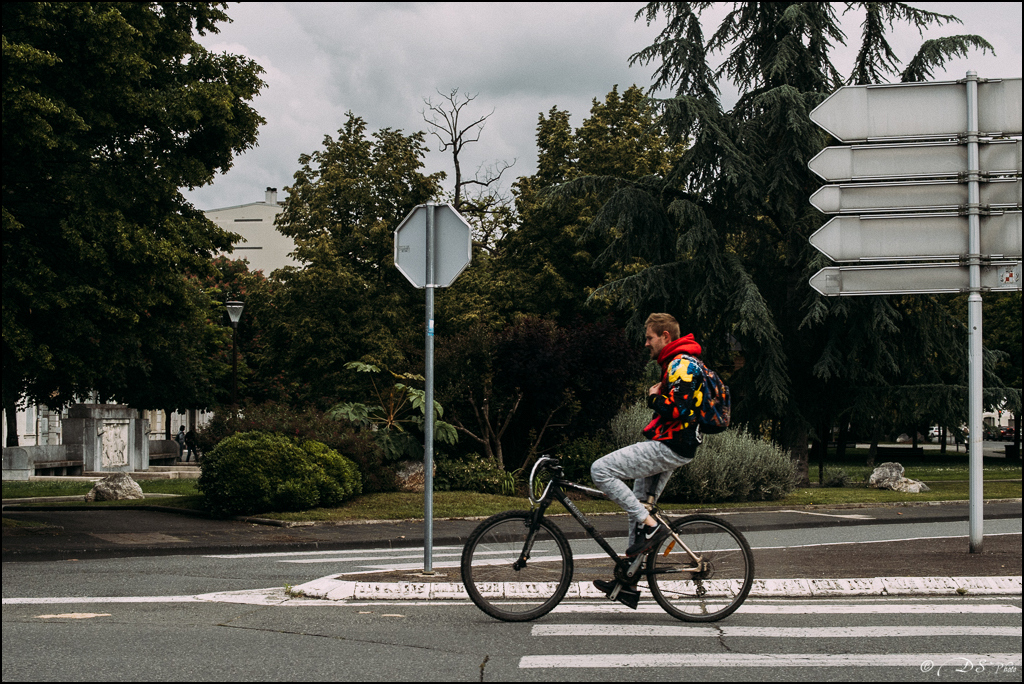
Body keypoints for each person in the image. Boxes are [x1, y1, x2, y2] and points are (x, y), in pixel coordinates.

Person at [589, 313, 706, 599]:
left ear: (665, 336)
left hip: (671, 445)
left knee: (600, 470)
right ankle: (628, 580)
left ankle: (652, 527)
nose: (646, 343)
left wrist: (654, 397)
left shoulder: (681, 364)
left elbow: (679, 410)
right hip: (675, 444)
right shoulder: (678, 362)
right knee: (638, 509)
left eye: (649, 337)